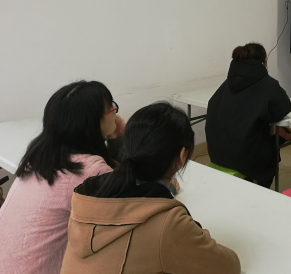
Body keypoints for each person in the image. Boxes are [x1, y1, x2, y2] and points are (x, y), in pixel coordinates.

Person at [60, 102, 241, 274]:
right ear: (182, 155)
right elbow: (228, 266)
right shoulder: (168, 224)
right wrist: (199, 234)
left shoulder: (87, 197)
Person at [0, 80, 124, 274]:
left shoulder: (40, 157)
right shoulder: (90, 171)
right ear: (96, 121)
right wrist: (119, 139)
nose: (116, 114)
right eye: (112, 108)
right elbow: (131, 203)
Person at [206, 43, 291, 188]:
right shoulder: (268, 84)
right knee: (276, 140)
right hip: (246, 161)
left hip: (217, 155)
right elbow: (282, 108)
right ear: (264, 63)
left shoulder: (226, 84)